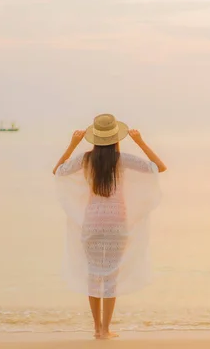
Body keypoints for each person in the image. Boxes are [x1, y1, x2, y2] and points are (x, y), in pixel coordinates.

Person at [52, 114, 166, 339]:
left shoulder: (86, 160)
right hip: (117, 225)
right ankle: (106, 329)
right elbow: (159, 167)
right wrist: (140, 141)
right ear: (116, 138)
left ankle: (96, 329)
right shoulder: (122, 160)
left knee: (93, 276)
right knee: (111, 277)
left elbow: (58, 171)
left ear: (95, 139)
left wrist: (73, 144)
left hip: (92, 224)